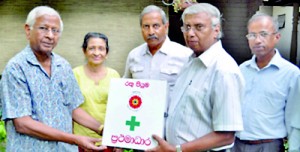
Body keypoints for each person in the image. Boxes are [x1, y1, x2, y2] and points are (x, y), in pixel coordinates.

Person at [0, 6, 106, 152]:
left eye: (55, 30)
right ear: (28, 30)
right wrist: (75, 139)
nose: (50, 35)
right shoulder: (16, 68)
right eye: (44, 28)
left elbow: (73, 108)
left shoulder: (63, 65)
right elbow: (22, 123)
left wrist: (102, 129)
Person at [146, 3, 244, 152]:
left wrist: (178, 149)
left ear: (216, 30)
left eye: (199, 27)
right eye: (187, 27)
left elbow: (226, 135)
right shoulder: (190, 61)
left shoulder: (224, 70)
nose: (190, 33)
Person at [231, 13, 300, 152]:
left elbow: (295, 119)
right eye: (252, 35)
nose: (257, 40)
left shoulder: (291, 74)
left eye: (263, 34)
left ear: (276, 37)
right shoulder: (242, 69)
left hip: (268, 146)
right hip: (236, 144)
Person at [123, 5, 192, 136]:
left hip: (172, 131)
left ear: (166, 27)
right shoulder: (134, 55)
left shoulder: (185, 55)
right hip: (139, 129)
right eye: (146, 26)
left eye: (156, 26)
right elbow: (125, 89)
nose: (151, 32)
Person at [73, 32, 120, 152]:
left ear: (107, 53)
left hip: (108, 141)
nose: (96, 53)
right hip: (81, 140)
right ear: (84, 51)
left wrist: (119, 141)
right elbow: (71, 108)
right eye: (91, 48)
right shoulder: (74, 74)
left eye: (101, 49)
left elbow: (119, 110)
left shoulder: (114, 75)